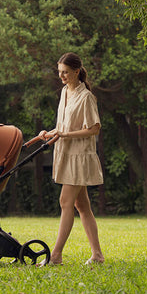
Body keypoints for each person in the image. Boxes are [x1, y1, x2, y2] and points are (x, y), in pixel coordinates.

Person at [39, 52, 104, 266]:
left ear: (77, 71)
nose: (62, 76)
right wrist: (50, 133)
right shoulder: (65, 92)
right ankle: (97, 256)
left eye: (65, 72)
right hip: (66, 153)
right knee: (82, 205)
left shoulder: (86, 97)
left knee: (65, 201)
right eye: (59, 72)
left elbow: (94, 129)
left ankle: (56, 256)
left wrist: (65, 135)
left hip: (80, 156)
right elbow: (63, 127)